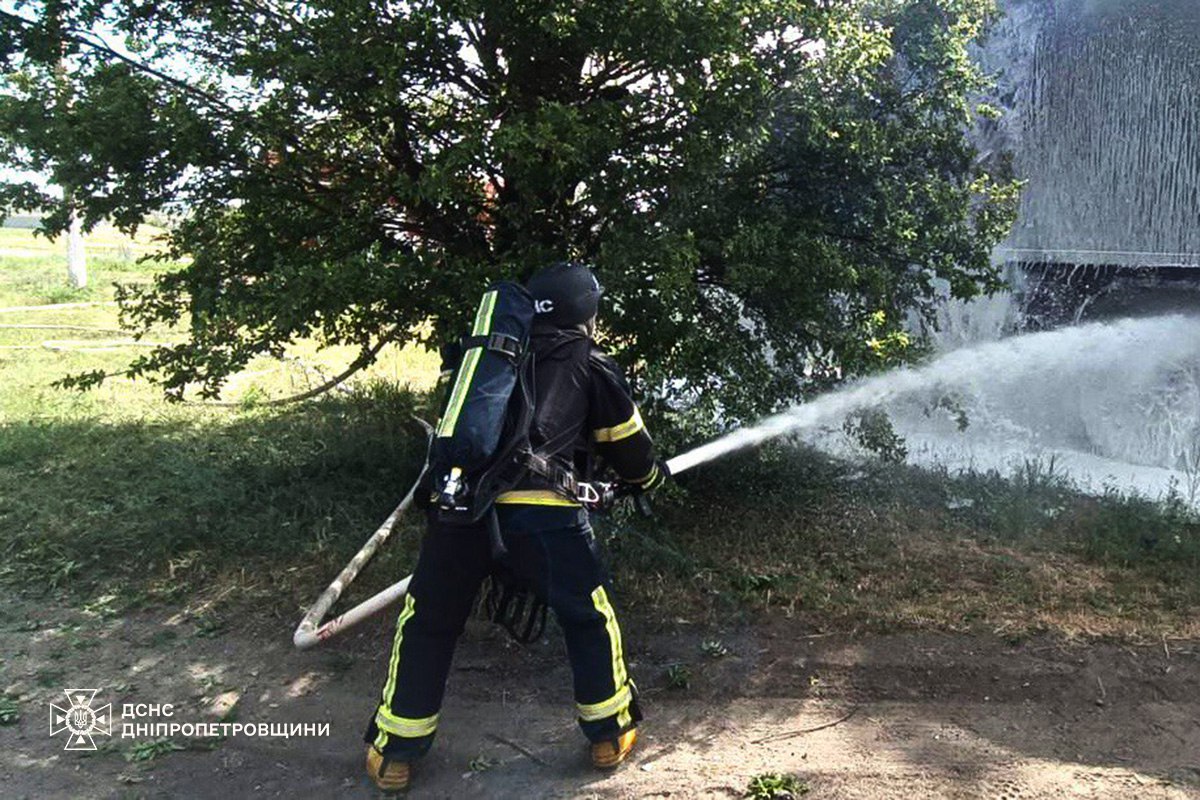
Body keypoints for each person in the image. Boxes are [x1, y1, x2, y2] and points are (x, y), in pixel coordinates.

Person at [364, 261, 668, 792]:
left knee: (428, 622)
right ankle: (608, 733)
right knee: (587, 615)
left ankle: (393, 754)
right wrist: (649, 479)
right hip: (544, 516)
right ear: (586, 312)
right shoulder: (588, 362)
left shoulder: (487, 360)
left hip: (458, 511)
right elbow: (632, 451)